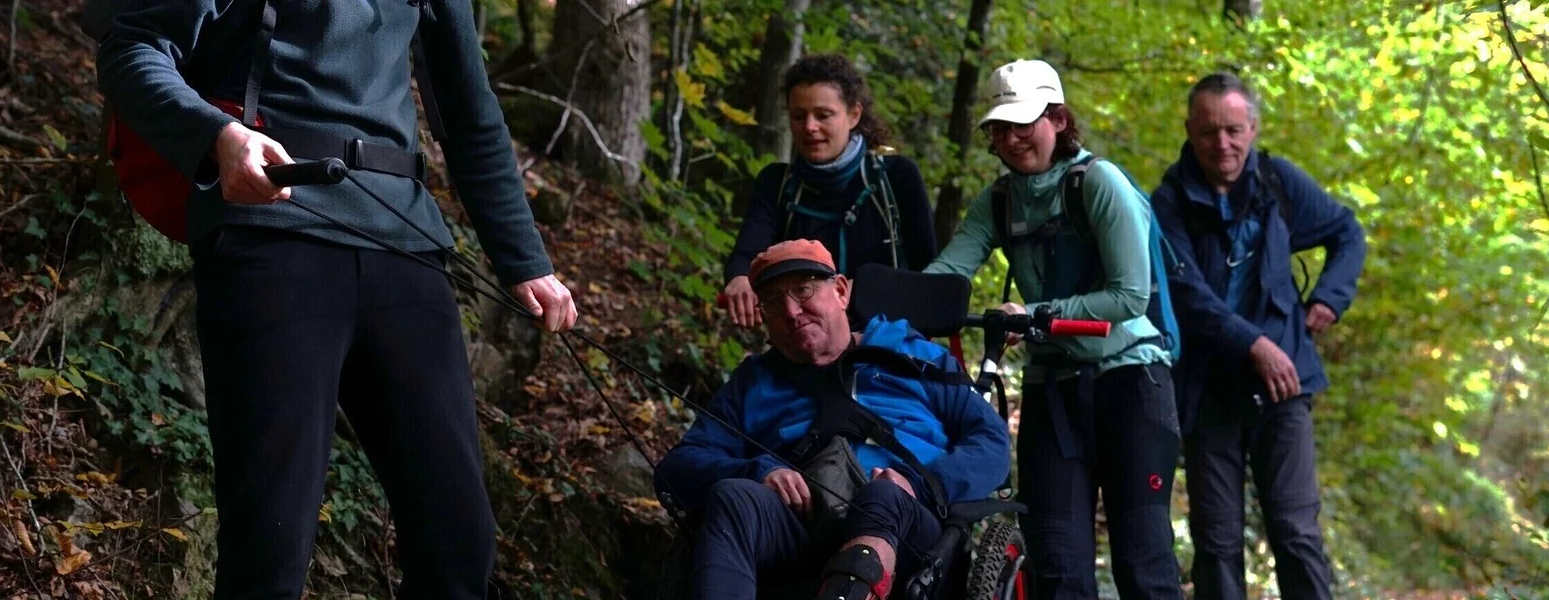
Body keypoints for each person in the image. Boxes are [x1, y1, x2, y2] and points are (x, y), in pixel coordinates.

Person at [94, 0, 579, 597]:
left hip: (406, 243)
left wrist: (525, 259)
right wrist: (216, 136)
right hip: (271, 239)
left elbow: (470, 111)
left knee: (458, 542)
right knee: (269, 549)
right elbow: (132, 49)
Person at [923, 59, 1182, 599]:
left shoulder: (1099, 182)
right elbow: (948, 274)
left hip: (1132, 385)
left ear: (1059, 120)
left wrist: (1036, 314)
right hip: (1053, 391)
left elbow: (1130, 295)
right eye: (1000, 127)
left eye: (1025, 123)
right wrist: (870, 305)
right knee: (1059, 568)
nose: (1013, 139)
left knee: (1143, 562)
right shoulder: (997, 200)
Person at [656, 239, 1011, 600]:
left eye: (803, 290)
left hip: (908, 527)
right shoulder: (753, 383)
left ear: (840, 291)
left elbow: (992, 442)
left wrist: (921, 483)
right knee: (733, 498)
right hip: (798, 525)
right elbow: (677, 467)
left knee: (883, 496)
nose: (791, 311)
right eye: (774, 303)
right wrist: (758, 471)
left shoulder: (914, 355)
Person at [1150, 72, 1366, 600]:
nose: (1221, 143)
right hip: (1207, 390)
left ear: (1252, 128)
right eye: (1208, 132)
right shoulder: (1169, 202)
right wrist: (1254, 344)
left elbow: (1347, 233)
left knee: (1295, 532)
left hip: (1285, 385)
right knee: (1217, 541)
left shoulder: (1278, 184)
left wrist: (1329, 299)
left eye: (1233, 129)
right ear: (1189, 131)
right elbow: (1186, 293)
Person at [719, 54, 937, 328]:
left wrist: (866, 291)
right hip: (802, 345)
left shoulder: (896, 177)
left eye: (823, 115)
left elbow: (930, 277)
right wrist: (739, 278)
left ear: (854, 115)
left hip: (888, 346)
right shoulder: (776, 183)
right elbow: (747, 254)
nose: (809, 127)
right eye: (799, 116)